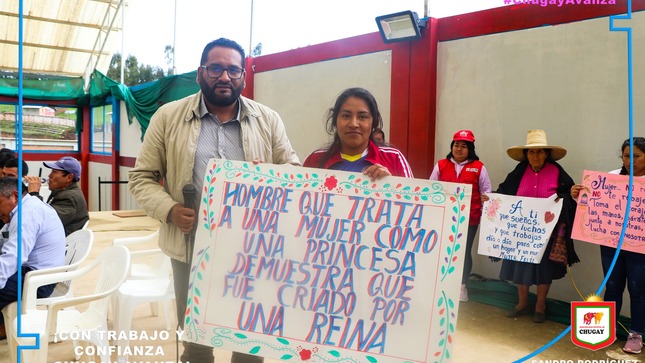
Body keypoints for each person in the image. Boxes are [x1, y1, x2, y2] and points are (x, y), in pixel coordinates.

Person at [128, 38, 299, 363]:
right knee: (195, 342)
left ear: (243, 77)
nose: (225, 77)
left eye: (233, 70)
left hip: (253, 250)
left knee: (250, 341)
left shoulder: (268, 120)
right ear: (200, 73)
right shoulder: (167, 117)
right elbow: (141, 177)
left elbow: (293, 170)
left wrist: (273, 178)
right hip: (191, 249)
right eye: (216, 68)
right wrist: (170, 210)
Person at [571, 136, 645, 354]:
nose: (630, 161)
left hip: (639, 248)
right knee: (612, 286)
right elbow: (592, 203)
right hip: (611, 244)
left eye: (637, 156)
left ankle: (636, 333)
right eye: (626, 156)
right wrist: (578, 195)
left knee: (638, 289)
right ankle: (609, 330)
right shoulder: (611, 178)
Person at [497, 129, 578, 323]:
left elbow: (569, 195)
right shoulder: (518, 172)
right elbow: (503, 192)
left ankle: (540, 306)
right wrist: (491, 198)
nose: (536, 155)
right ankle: (522, 304)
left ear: (547, 153)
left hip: (546, 232)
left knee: (544, 270)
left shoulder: (557, 171)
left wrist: (571, 194)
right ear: (525, 154)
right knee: (520, 267)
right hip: (520, 231)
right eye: (532, 152)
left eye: (540, 151)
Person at [429, 129, 491, 302]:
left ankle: (462, 286)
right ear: (452, 146)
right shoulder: (441, 165)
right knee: (442, 251)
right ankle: (441, 285)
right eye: (456, 145)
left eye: (464, 146)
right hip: (444, 218)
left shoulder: (479, 168)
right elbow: (432, 188)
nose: (459, 149)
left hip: (469, 220)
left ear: (470, 149)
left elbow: (486, 192)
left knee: (463, 253)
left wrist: (487, 198)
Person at [0, 177, 66, 338]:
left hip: (39, 280)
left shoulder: (27, 215)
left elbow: (13, 256)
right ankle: (3, 325)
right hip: (31, 271)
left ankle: (3, 327)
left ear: (14, 196)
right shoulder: (23, 208)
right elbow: (5, 239)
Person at [303, 87, 413, 179]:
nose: (353, 124)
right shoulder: (314, 161)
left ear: (373, 122)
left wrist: (393, 185)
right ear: (335, 121)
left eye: (362, 117)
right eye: (346, 116)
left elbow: (413, 203)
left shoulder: (394, 159)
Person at [24, 156, 89, 236]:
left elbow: (44, 220)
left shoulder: (69, 198)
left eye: (54, 172)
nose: (49, 175)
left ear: (69, 177)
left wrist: (34, 194)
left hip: (58, 244)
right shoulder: (62, 191)